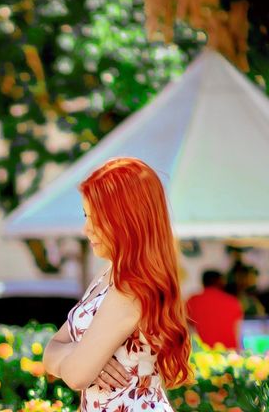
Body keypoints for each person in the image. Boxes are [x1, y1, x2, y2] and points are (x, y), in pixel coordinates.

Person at [41, 157, 191, 411]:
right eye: (86, 215)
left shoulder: (131, 288)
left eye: (97, 217)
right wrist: (80, 354)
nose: (86, 229)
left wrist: (81, 360)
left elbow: (77, 375)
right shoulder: (109, 272)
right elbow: (51, 350)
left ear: (127, 218)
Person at [186, 270, 243, 349]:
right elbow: (237, 331)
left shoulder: (192, 300)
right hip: (230, 353)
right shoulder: (233, 301)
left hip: (202, 354)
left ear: (203, 282)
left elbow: (187, 328)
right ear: (221, 282)